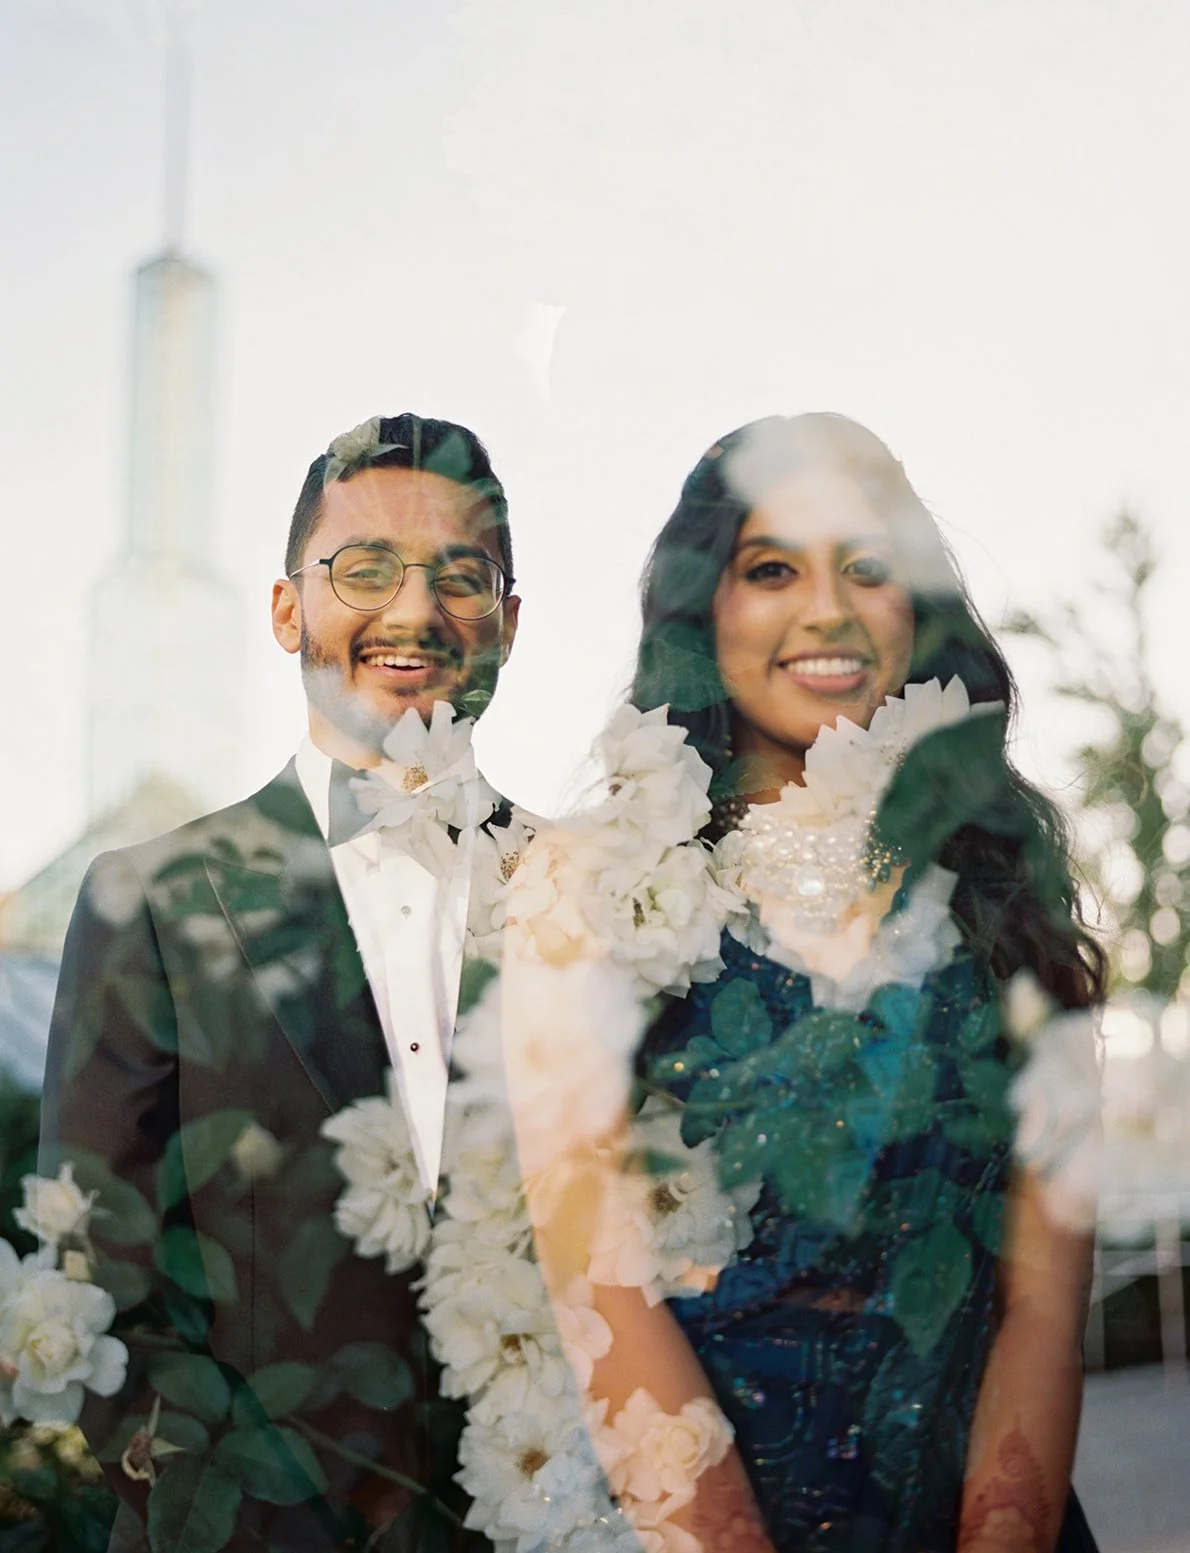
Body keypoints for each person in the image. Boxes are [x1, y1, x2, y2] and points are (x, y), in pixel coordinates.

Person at [38, 413, 526, 1552]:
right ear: (284, 608)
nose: (413, 612)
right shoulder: (148, 895)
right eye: (364, 569)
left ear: (508, 623)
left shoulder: (601, 891)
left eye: (460, 576)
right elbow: (94, 1257)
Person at [617, 412, 1105, 1552]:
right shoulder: (604, 896)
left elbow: (1041, 1304)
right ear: (705, 606)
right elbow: (595, 1292)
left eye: (866, 566)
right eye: (771, 567)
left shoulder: (1004, 892)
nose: (824, 609)